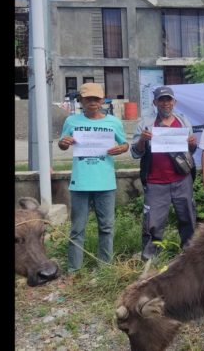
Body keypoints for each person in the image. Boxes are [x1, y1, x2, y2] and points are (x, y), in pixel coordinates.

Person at [57, 82, 129, 273]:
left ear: (103, 100)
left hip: (105, 182)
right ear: (81, 100)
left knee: (106, 228)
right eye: (88, 99)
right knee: (77, 229)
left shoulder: (113, 122)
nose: (93, 102)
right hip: (80, 182)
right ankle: (74, 270)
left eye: (96, 99)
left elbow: (125, 144)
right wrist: (63, 142)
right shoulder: (72, 121)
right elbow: (62, 144)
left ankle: (104, 268)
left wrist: (120, 148)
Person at [131, 86, 198, 260]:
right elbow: (135, 153)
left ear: (174, 102)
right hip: (155, 182)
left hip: (182, 180)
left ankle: (189, 256)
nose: (166, 103)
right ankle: (149, 259)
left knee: (188, 219)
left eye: (169, 100)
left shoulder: (183, 122)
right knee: (153, 223)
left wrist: (192, 143)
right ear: (155, 103)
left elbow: (191, 150)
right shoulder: (145, 124)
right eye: (161, 100)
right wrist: (142, 141)